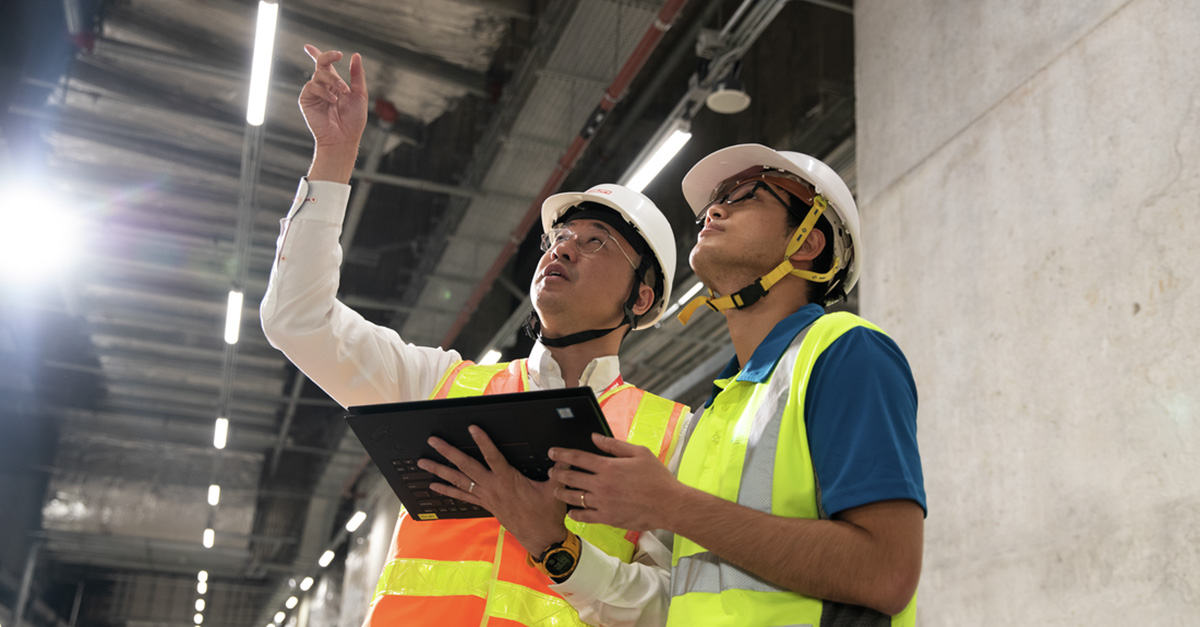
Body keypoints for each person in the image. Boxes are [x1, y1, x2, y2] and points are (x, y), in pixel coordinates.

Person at [260, 46, 690, 626]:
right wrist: (335, 154)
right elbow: (298, 320)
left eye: (595, 242)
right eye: (559, 237)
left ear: (640, 299)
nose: (562, 246)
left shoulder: (673, 438)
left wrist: (558, 549)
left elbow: (670, 608)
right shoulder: (441, 384)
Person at [547, 144, 926, 626]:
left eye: (748, 195)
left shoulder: (845, 351)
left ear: (808, 244)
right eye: (713, 203)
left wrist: (670, 504)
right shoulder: (713, 412)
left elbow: (886, 572)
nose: (715, 210)